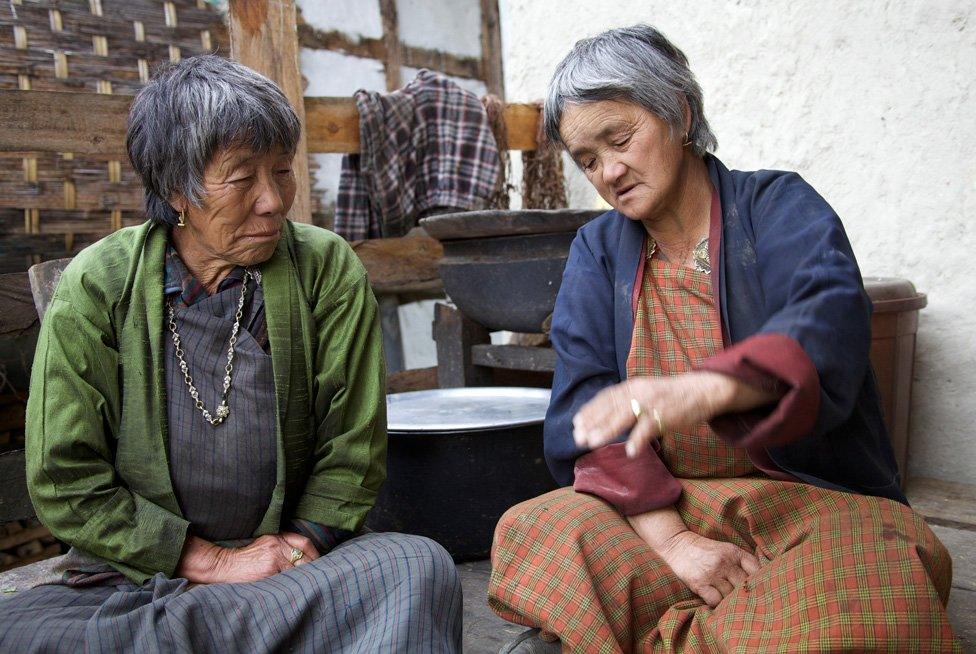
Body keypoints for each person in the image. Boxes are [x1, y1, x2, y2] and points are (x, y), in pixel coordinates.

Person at [489, 25, 959, 652]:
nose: (610, 171)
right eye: (587, 160)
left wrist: (713, 387)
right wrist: (674, 542)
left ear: (678, 113)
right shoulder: (597, 250)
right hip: (664, 508)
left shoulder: (777, 205)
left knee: (875, 573)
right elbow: (586, 409)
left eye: (620, 138)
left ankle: (657, 632)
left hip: (804, 511)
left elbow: (828, 317)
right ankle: (724, 625)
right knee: (539, 531)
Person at [0, 55, 461, 653]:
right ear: (176, 190)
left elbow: (352, 450)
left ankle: (207, 632)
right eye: (243, 178)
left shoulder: (325, 269)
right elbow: (65, 479)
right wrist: (214, 565)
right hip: (138, 579)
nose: (274, 201)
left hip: (290, 571)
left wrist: (290, 552)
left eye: (282, 172)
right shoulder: (98, 285)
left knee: (414, 567)